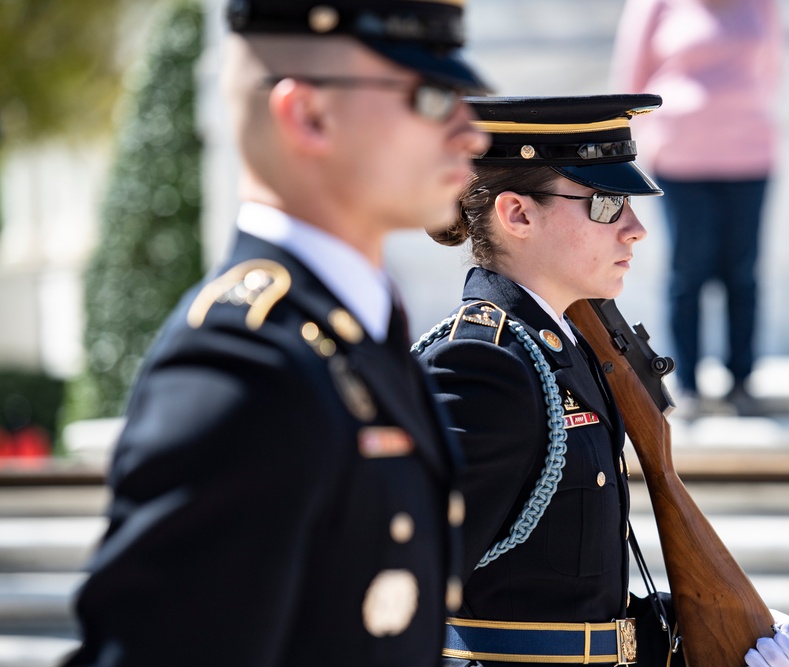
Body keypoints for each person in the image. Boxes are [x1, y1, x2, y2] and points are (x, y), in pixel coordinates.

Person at [63, 1, 489, 666]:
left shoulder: (357, 332)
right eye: (434, 97)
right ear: (308, 115)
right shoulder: (242, 364)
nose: (471, 133)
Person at [412, 95, 789, 667]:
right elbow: (391, 598)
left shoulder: (572, 351)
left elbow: (564, 594)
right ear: (517, 215)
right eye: (606, 205)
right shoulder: (483, 364)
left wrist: (717, 638)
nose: (636, 229)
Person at [610, 0, 784, 416]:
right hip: (681, 162)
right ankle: (687, 383)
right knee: (688, 271)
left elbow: (773, 69)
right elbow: (631, 80)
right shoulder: (655, 5)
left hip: (750, 156)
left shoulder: (762, 5)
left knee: (742, 271)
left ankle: (742, 382)